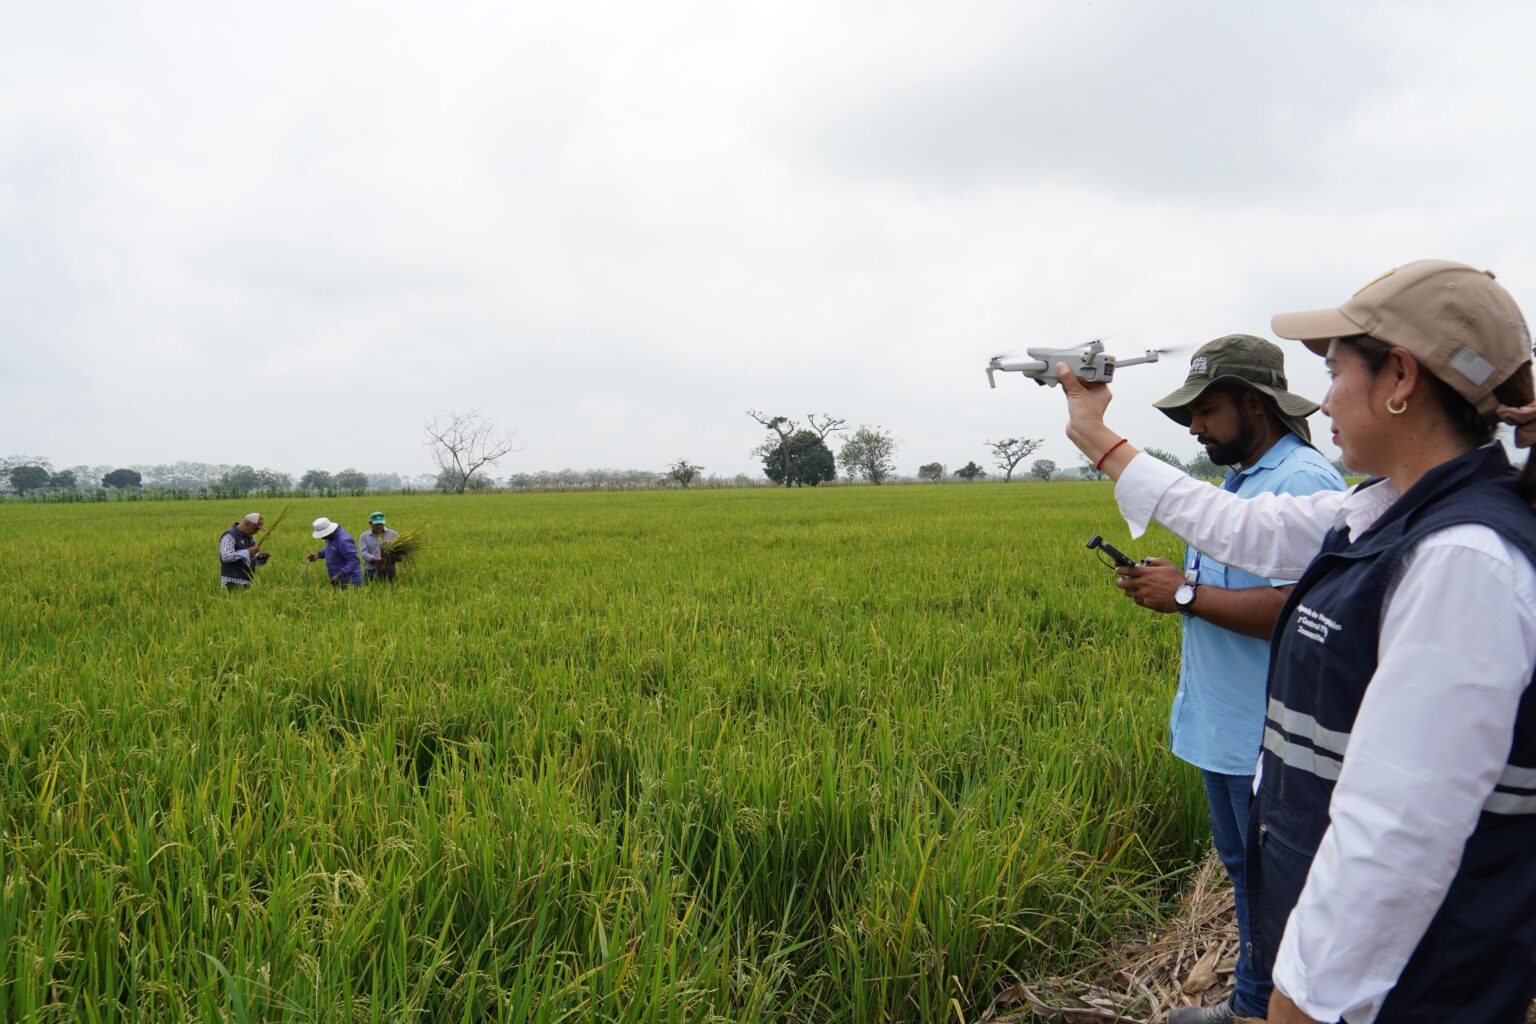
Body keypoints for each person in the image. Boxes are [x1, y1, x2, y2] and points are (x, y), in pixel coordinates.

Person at [1055, 260, 1536, 1023]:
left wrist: (1302, 1002)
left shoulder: (1462, 559)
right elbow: (1237, 527)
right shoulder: (1384, 511)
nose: (1325, 400)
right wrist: (1094, 432)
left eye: (1335, 371)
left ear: (1400, 378)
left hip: (1409, 985)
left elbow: (1398, 831)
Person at [1118, 336, 1345, 1024]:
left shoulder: (1301, 481)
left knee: (1275, 883)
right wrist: (1179, 584)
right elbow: (1227, 585)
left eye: (1205, 411)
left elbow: (1302, 610)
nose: (1194, 427)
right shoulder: (1242, 480)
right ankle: (1254, 1000)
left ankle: (1262, 1008)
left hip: (1265, 737)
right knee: (1247, 871)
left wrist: (1186, 596)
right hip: (1225, 727)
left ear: (1254, 404)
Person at [218, 512, 270, 590]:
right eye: (255, 528)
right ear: (247, 523)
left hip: (247, 582)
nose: (256, 532)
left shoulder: (249, 538)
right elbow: (226, 556)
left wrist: (260, 557)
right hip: (231, 582)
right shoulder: (230, 535)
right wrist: (248, 551)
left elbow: (248, 559)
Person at [307, 516, 362, 588]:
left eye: (323, 534)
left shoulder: (343, 540)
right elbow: (333, 550)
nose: (322, 538)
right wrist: (319, 554)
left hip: (350, 581)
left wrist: (339, 575)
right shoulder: (330, 537)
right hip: (336, 579)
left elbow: (354, 560)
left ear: (329, 531)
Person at [357, 511, 399, 583]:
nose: (379, 526)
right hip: (371, 570)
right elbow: (364, 553)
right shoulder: (364, 536)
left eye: (381, 523)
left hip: (389, 570)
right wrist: (374, 559)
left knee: (392, 589)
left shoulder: (393, 534)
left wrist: (394, 558)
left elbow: (400, 551)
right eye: (376, 524)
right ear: (370, 524)